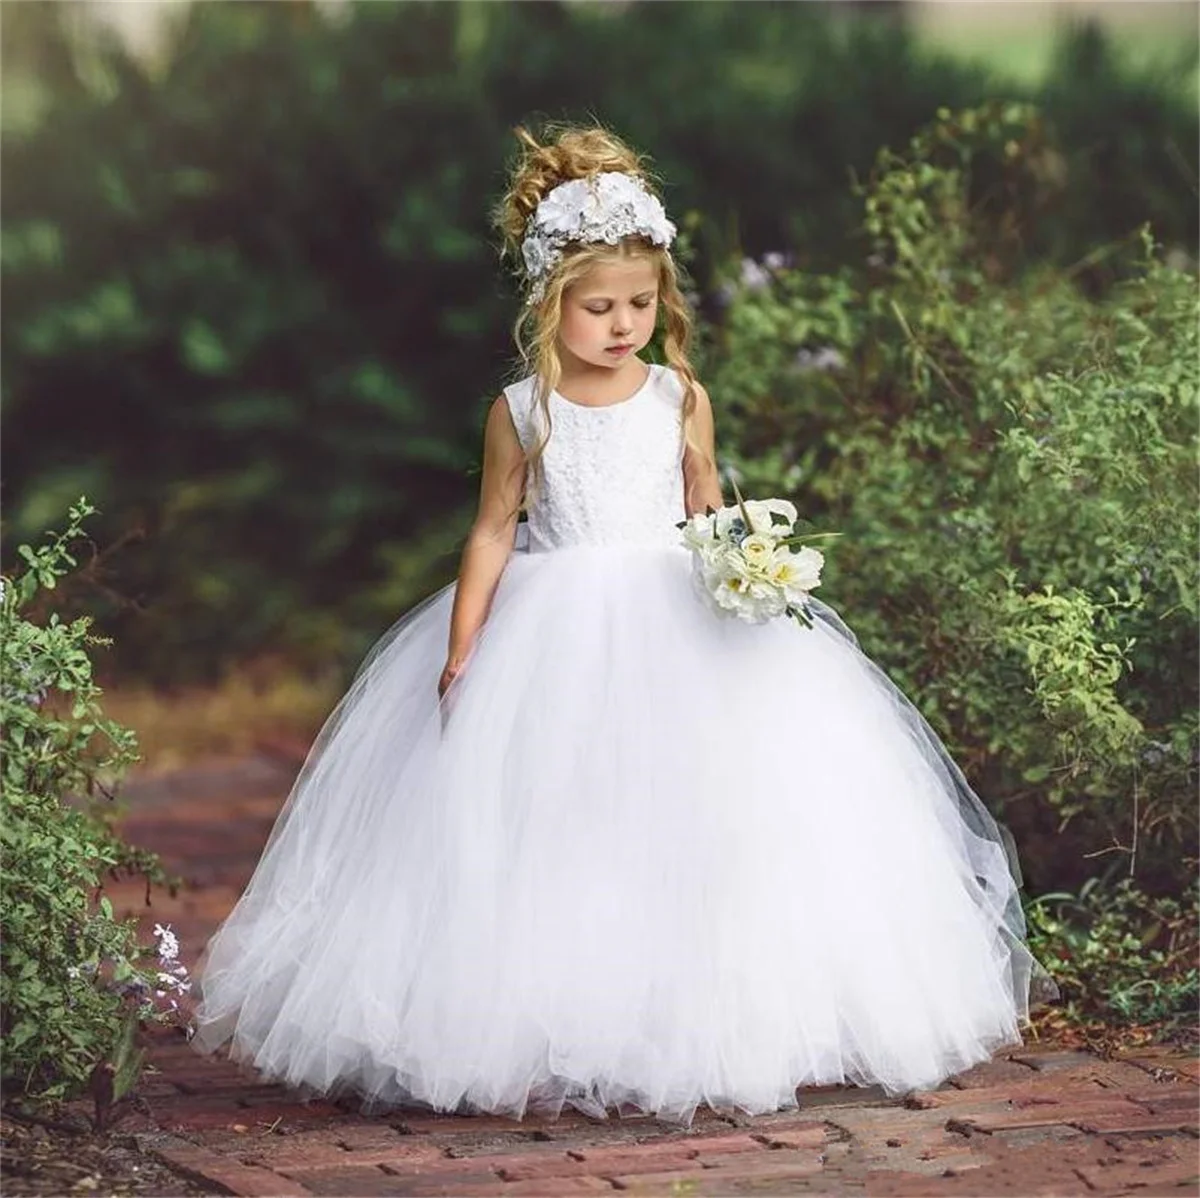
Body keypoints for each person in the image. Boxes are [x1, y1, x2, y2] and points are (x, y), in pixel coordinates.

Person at [189, 123, 1058, 1128]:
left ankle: (711, 1010)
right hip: (552, 631)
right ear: (550, 305)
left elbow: (702, 509)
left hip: (676, 622)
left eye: (639, 305)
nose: (621, 325)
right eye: (598, 308)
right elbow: (489, 532)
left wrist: (748, 569)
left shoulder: (681, 396)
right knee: (558, 822)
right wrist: (465, 639)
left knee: (706, 817)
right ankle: (551, 1017)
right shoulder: (524, 410)